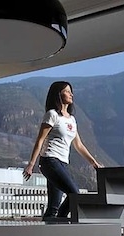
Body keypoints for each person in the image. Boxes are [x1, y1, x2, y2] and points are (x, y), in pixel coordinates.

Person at [22, 81, 102, 220]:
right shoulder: (52, 115)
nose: (71, 94)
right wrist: (31, 164)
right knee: (74, 193)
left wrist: (94, 163)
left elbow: (79, 145)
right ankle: (61, 222)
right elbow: (40, 140)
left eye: (71, 91)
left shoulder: (72, 119)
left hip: (63, 163)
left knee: (53, 206)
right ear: (58, 94)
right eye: (67, 91)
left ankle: (51, 227)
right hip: (50, 160)